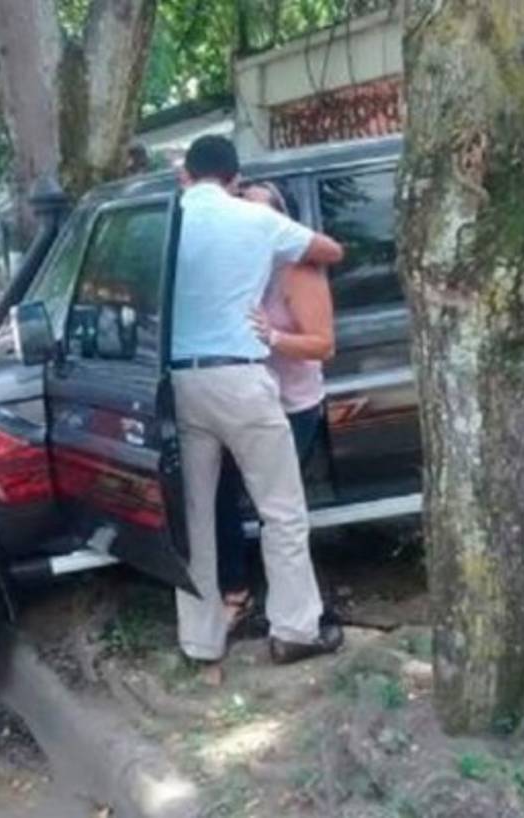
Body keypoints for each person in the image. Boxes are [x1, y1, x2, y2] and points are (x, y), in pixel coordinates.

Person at [170, 135, 345, 673]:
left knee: (194, 519)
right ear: (235, 178)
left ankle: (200, 642)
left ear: (186, 175)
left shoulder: (167, 220)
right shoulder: (255, 219)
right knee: (281, 511)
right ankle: (295, 630)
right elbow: (331, 251)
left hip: (180, 383)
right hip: (241, 378)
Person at [215, 182, 335, 627]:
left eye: (260, 213)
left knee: (276, 507)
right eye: (241, 212)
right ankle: (236, 590)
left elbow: (323, 345)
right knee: (218, 493)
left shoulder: (297, 270)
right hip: (242, 401)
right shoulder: (233, 271)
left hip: (290, 405)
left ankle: (295, 614)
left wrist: (274, 337)